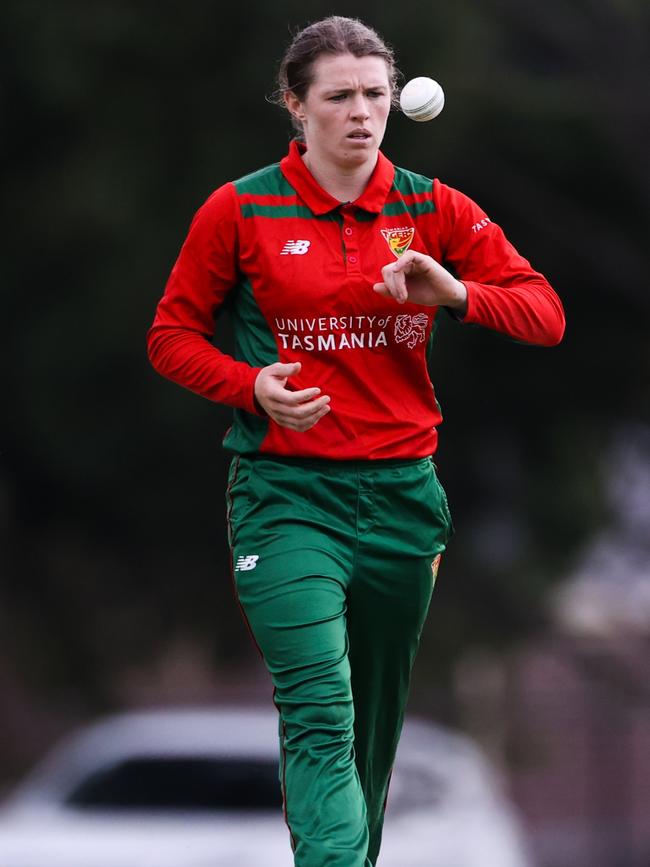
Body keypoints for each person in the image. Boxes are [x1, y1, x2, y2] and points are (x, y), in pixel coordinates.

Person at [147, 15, 565, 867]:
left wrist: (455, 291)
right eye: (338, 97)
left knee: (371, 726)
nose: (362, 113)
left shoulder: (432, 206)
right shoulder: (240, 207)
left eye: (375, 95)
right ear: (295, 106)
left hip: (404, 499)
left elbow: (546, 315)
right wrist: (248, 384)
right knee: (320, 704)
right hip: (286, 495)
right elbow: (171, 335)